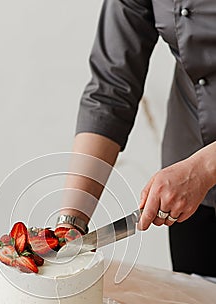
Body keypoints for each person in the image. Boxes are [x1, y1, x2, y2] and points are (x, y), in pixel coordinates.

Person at [56, 0, 216, 277]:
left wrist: (205, 168)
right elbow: (111, 89)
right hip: (189, 173)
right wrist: (71, 223)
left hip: (196, 172)